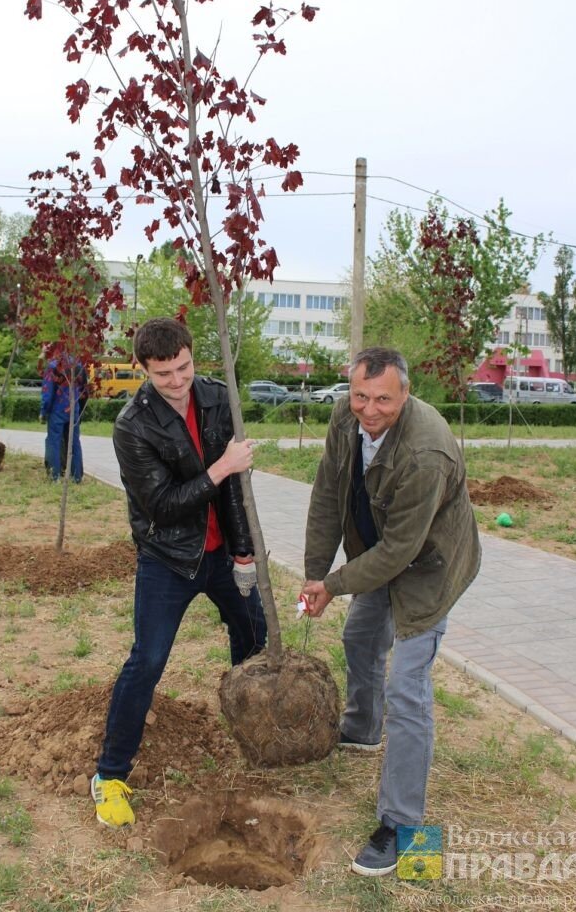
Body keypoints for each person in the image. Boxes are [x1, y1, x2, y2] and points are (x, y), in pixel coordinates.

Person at [301, 347, 480, 877]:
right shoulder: (344, 416)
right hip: (376, 550)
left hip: (429, 565)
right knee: (359, 638)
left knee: (407, 687)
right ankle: (362, 726)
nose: (370, 409)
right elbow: (327, 495)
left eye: (383, 398)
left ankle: (403, 829)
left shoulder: (427, 452)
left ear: (406, 392)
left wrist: (334, 585)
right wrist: (316, 572)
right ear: (349, 389)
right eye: (361, 395)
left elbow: (402, 552)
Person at [92, 318, 266, 828]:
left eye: (184, 367)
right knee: (146, 661)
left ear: (193, 355)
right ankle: (109, 776)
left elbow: (233, 490)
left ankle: (250, 732)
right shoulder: (132, 425)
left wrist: (243, 551)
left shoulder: (214, 398)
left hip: (220, 555)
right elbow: (164, 506)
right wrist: (221, 468)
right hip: (167, 559)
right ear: (144, 369)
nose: (177, 380)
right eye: (163, 373)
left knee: (252, 635)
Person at [39, 355, 86, 482]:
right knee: (74, 442)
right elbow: (84, 391)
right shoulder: (79, 365)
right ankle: (76, 476)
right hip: (74, 409)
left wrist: (43, 411)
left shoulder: (53, 366)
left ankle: (55, 476)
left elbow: (47, 392)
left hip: (57, 410)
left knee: (54, 441)